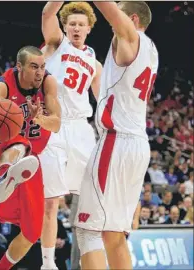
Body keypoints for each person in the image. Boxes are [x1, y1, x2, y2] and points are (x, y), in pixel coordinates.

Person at [75, 2, 159, 269]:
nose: (112, 21)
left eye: (119, 13)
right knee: (113, 235)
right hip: (135, 144)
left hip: (116, 143)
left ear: (132, 18)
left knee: (88, 232)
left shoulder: (131, 37)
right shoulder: (150, 48)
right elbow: (114, 91)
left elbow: (112, 14)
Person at [0, 45, 61, 270]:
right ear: (19, 67)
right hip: (0, 149)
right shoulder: (2, 85)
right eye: (33, 67)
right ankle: (4, 176)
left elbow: (57, 124)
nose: (40, 72)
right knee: (18, 139)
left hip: (31, 159)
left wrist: (39, 118)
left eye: (42, 67)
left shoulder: (49, 83)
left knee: (32, 232)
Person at [40, 2, 102, 269]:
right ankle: (48, 264)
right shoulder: (56, 44)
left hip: (81, 129)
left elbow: (103, 101)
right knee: (51, 201)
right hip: (54, 124)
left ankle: (89, 259)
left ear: (89, 28)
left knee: (92, 198)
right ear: (65, 26)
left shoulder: (95, 63)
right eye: (72, 24)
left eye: (81, 24)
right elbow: (47, 13)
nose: (76, 28)